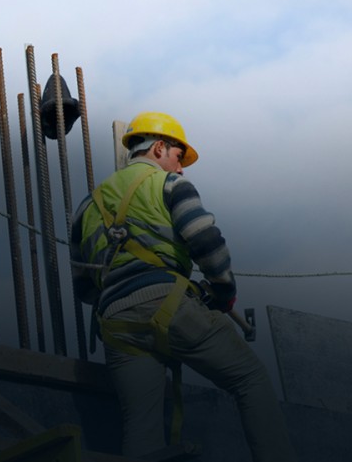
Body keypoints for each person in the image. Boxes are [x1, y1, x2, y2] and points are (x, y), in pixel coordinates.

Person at [69, 112, 296, 461]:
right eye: (178, 156)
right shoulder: (169, 185)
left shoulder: (87, 207)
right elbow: (206, 240)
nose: (181, 168)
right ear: (159, 148)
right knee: (250, 379)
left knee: (141, 429)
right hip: (168, 303)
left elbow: (83, 288)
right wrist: (222, 292)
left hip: (115, 324)